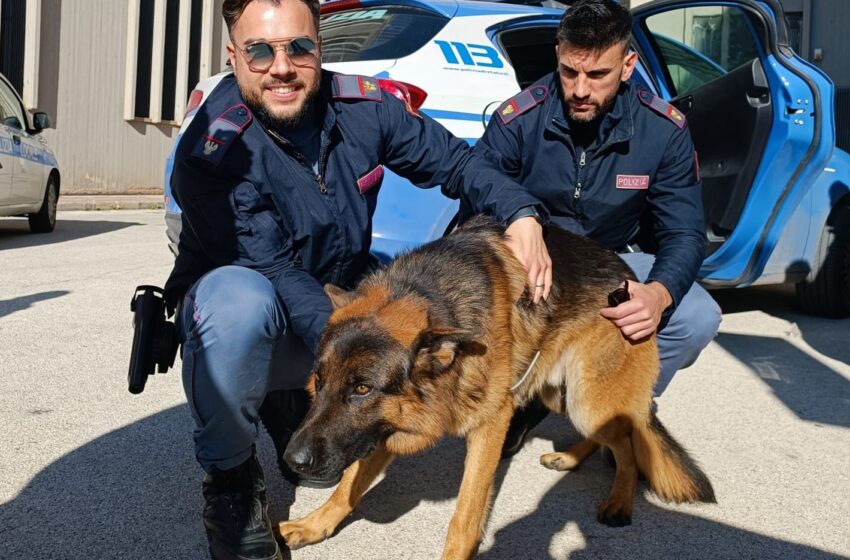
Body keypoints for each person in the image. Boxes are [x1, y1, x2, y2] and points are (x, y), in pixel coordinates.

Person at [162, 1, 551, 558]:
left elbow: (457, 164)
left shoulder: (363, 108)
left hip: (337, 316)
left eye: (299, 46)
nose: (282, 67)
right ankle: (230, 480)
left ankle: (291, 400)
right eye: (259, 51)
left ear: (320, 48)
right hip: (267, 313)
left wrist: (521, 213)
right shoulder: (213, 151)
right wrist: (365, 348)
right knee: (235, 304)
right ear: (234, 55)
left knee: (330, 441)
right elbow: (273, 267)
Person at [471, 0, 722, 458]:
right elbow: (476, 196)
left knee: (695, 317)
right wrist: (517, 227)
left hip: (612, 260)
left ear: (628, 66)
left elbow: (685, 233)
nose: (580, 89)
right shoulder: (517, 120)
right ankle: (525, 398)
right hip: (533, 257)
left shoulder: (663, 131)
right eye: (569, 72)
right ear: (558, 54)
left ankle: (614, 410)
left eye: (598, 75)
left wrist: (659, 294)